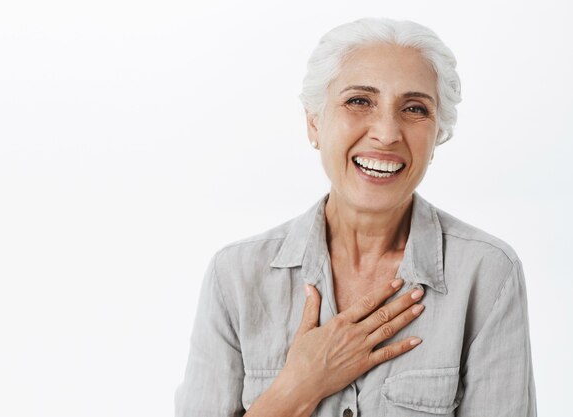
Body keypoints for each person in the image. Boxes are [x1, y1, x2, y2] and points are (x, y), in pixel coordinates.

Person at [175, 17, 536, 417]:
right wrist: (298, 387)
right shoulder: (236, 276)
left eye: (415, 108)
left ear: (438, 136)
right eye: (359, 101)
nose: (386, 132)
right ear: (314, 122)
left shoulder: (487, 274)